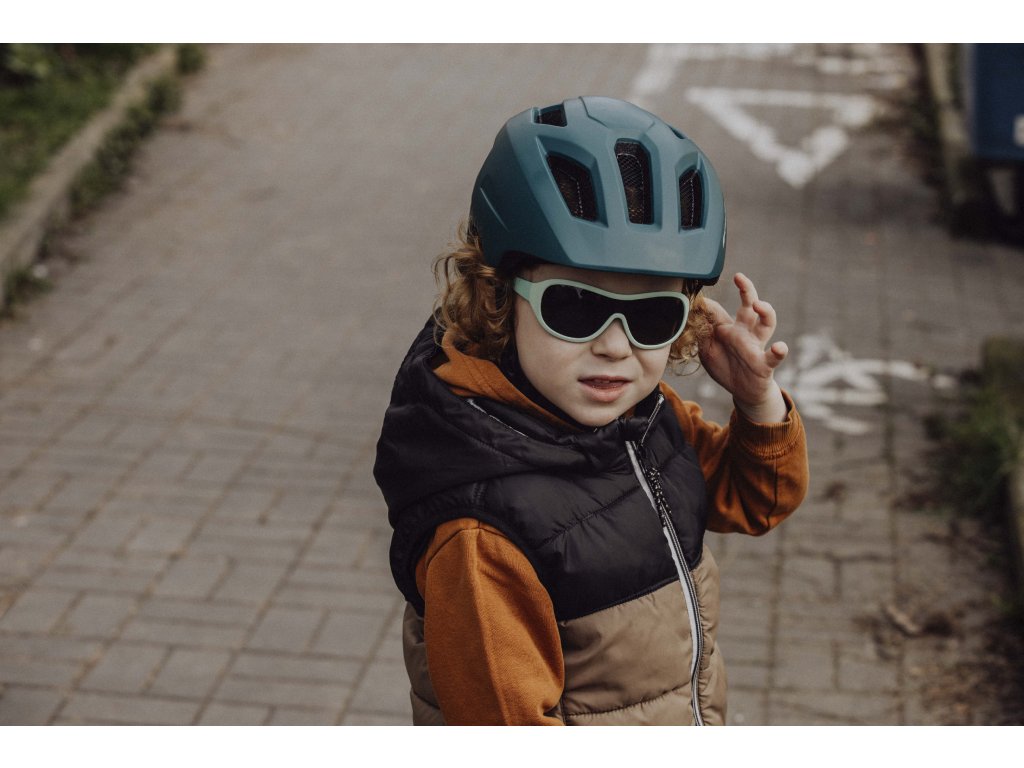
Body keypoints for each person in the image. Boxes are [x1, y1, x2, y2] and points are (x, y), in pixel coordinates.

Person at [374, 96, 809, 726]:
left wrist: (755, 399)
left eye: (652, 315)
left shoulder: (643, 419)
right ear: (498, 296)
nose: (614, 346)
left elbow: (757, 499)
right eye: (574, 307)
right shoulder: (483, 534)